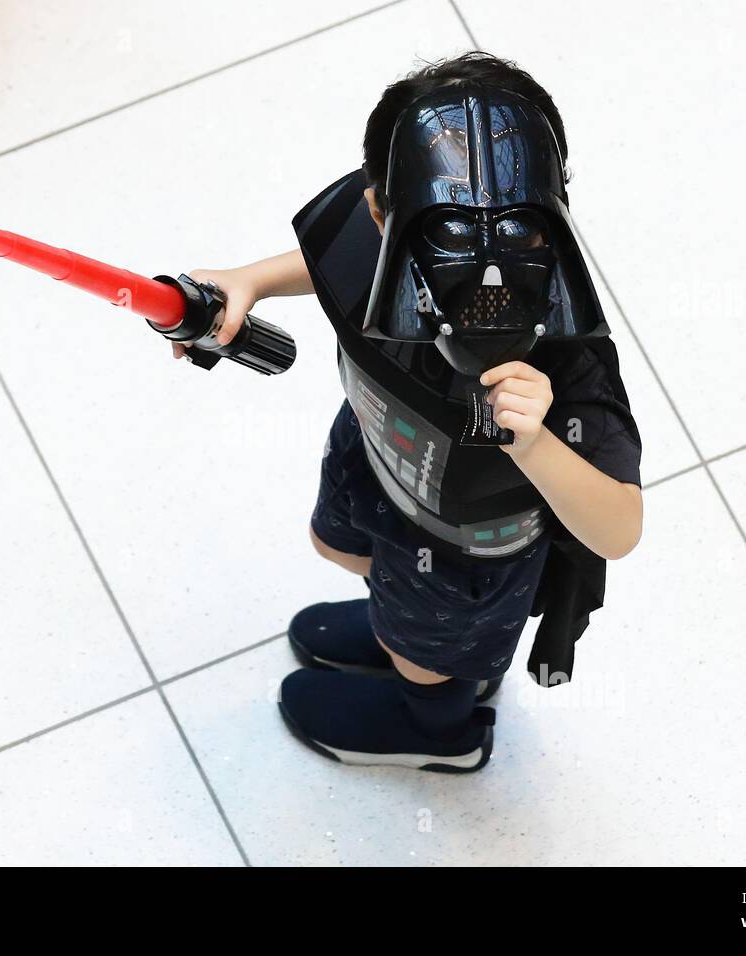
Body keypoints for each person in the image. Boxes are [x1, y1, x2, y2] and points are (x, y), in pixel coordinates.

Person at [178, 52, 643, 772]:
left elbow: (618, 530)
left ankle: (437, 728)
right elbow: (339, 256)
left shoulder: (570, 361)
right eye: (446, 232)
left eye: (516, 229)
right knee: (338, 544)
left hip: (468, 548)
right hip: (374, 452)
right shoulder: (379, 227)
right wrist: (252, 281)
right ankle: (400, 620)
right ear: (380, 210)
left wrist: (536, 444)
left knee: (425, 653)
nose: (484, 271)